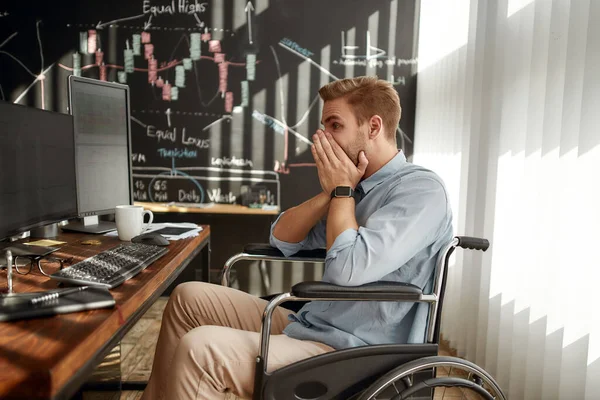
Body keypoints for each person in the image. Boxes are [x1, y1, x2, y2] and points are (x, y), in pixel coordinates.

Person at [141, 76, 453, 400]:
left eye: (335, 125)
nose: (322, 138)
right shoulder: (355, 189)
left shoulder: (421, 191)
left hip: (352, 353)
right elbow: (282, 238)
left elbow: (347, 271)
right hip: (309, 323)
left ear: (373, 127)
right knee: (187, 299)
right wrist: (331, 193)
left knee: (200, 350)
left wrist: (343, 191)